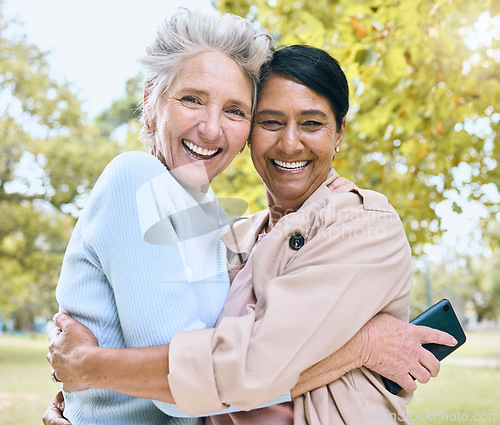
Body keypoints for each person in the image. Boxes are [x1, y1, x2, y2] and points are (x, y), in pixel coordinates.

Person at [45, 43, 457, 425]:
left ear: (340, 133)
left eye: (312, 123)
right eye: (270, 122)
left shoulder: (363, 223)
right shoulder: (234, 234)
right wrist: (85, 405)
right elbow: (206, 352)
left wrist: (89, 366)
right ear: (249, 134)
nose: (290, 143)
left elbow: (253, 367)